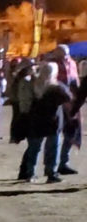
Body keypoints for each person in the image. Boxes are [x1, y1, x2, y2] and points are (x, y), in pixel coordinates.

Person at [19, 62, 72, 183]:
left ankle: (30, 173)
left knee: (34, 147)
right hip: (53, 120)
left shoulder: (33, 84)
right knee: (52, 147)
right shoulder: (56, 87)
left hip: (36, 119)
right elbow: (68, 97)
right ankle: (51, 173)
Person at [52, 45, 81, 175]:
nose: (65, 57)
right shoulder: (52, 65)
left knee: (71, 132)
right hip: (58, 103)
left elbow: (76, 81)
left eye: (66, 55)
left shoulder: (72, 64)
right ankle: (54, 165)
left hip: (72, 103)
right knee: (56, 134)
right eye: (62, 55)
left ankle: (64, 162)